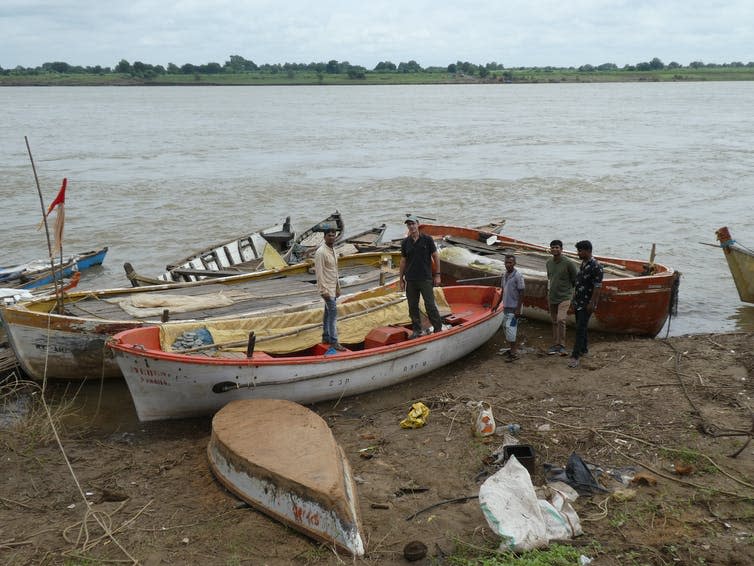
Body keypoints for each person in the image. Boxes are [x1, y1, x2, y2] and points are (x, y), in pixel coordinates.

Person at [399, 215, 443, 339]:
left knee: (430, 305)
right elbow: (403, 262)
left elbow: (435, 256)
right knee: (412, 306)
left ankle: (438, 328)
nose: (411, 226)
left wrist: (438, 275)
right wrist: (401, 280)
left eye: (413, 224)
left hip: (425, 278)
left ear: (418, 224)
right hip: (411, 280)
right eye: (409, 224)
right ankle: (417, 330)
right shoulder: (405, 242)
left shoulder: (427, 239)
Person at [568, 240, 603, 368]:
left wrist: (592, 303)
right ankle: (584, 349)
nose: (578, 253)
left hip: (586, 303)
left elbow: (597, 287)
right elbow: (579, 283)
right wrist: (573, 300)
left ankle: (575, 356)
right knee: (581, 326)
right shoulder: (584, 263)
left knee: (580, 329)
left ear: (588, 251)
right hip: (579, 301)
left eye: (580, 251)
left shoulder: (596, 266)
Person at [314, 226, 346, 351]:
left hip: (333, 287)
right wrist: (323, 290)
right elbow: (319, 273)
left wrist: (338, 287)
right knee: (333, 314)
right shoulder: (321, 252)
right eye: (329, 235)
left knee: (328, 313)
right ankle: (334, 341)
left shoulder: (333, 250)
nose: (332, 237)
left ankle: (326, 336)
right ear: (324, 237)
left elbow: (335, 271)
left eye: (333, 235)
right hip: (326, 288)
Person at [546, 239, 578, 356]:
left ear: (561, 249)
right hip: (552, 296)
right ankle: (555, 344)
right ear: (550, 249)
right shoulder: (548, 262)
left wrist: (572, 294)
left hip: (565, 296)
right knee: (554, 321)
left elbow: (575, 279)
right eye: (552, 247)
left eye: (557, 247)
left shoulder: (568, 263)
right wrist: (548, 294)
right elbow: (550, 279)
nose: (554, 249)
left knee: (561, 319)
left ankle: (562, 345)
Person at [500, 254, 525, 361]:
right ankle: (511, 348)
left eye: (510, 262)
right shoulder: (504, 275)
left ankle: (514, 353)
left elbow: (522, 292)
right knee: (506, 328)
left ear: (514, 263)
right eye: (506, 262)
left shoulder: (518, 275)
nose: (508, 264)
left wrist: (518, 309)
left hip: (514, 308)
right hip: (506, 307)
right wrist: (497, 304)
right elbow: (502, 291)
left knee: (511, 329)